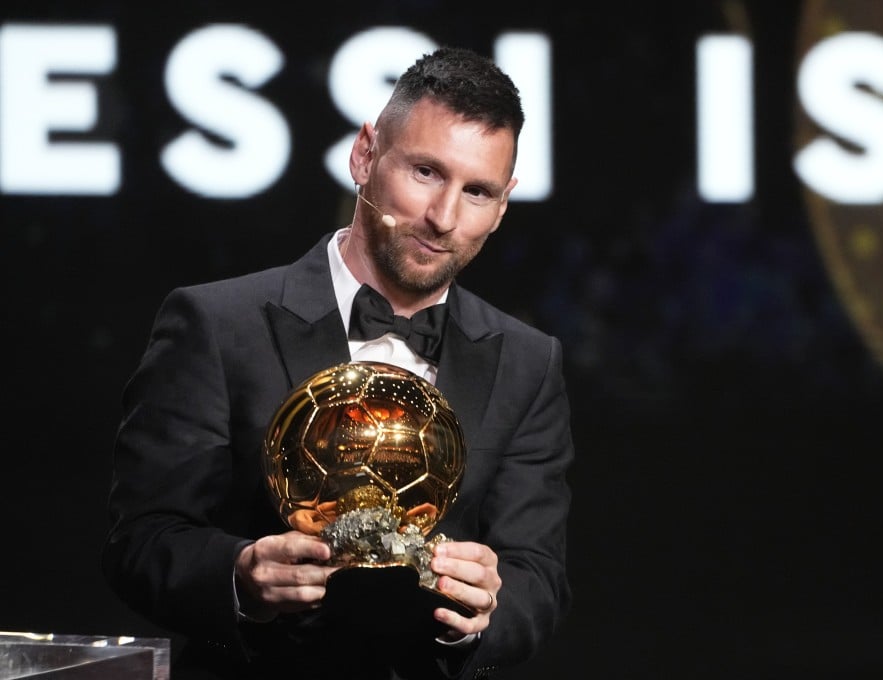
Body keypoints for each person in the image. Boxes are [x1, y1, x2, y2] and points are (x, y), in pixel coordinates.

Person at [101, 46, 573, 679]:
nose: (444, 217)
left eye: (478, 191)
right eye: (427, 172)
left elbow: (537, 577)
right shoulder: (216, 324)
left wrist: (485, 609)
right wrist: (239, 575)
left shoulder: (528, 362)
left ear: (505, 202)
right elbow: (141, 539)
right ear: (365, 155)